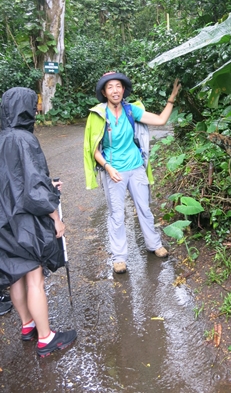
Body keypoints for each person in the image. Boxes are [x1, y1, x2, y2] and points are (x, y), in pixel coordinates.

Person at [0, 87, 77, 357]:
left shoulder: (2, 138)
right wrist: (55, 216)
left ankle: (27, 325)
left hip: (3, 221)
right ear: (26, 109)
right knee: (34, 278)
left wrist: (48, 183)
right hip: (24, 220)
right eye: (34, 106)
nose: (36, 110)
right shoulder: (24, 140)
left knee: (15, 276)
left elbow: (13, 180)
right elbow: (33, 189)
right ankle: (46, 338)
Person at [84, 72, 181, 274]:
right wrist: (108, 167)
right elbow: (92, 148)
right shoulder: (97, 115)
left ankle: (154, 244)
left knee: (144, 208)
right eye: (110, 87)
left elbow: (161, 120)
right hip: (114, 172)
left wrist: (171, 98)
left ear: (123, 89)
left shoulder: (131, 110)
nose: (115, 90)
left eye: (118, 86)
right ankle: (119, 257)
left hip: (136, 167)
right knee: (117, 215)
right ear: (104, 92)